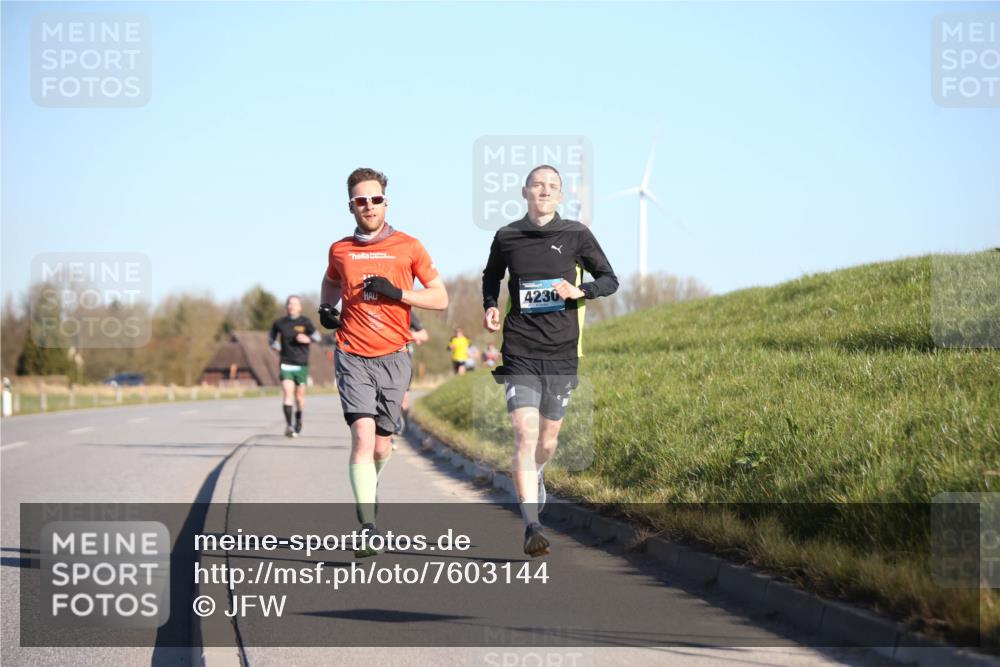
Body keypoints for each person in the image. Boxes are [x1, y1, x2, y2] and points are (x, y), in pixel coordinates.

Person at [482, 164, 618, 557]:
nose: (544, 191)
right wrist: (491, 306)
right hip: (520, 350)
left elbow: (610, 279)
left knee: (547, 440)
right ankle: (531, 525)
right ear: (525, 191)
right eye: (538, 185)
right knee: (524, 436)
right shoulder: (507, 236)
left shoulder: (576, 234)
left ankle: (537, 472)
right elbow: (491, 278)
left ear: (560, 196)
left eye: (553, 186)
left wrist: (581, 291)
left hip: (561, 352)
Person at [319, 167, 448, 557]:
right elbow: (330, 281)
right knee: (361, 436)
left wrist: (398, 293)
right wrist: (327, 307)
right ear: (350, 206)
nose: (369, 206)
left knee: (380, 447)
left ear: (385, 203)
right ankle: (367, 526)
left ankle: (369, 491)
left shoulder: (409, 246)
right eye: (361, 200)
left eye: (375, 199)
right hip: (352, 353)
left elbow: (440, 298)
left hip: (394, 356)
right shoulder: (340, 249)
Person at [269, 295, 321, 437]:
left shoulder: (305, 322)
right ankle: (289, 425)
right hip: (286, 362)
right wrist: (275, 345)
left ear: (299, 307)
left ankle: (299, 417)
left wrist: (307, 339)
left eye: (294, 304)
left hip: (301, 364)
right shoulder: (279, 323)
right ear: (286, 307)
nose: (291, 306)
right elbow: (271, 338)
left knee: (299, 397)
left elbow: (317, 336)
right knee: (287, 392)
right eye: (289, 304)